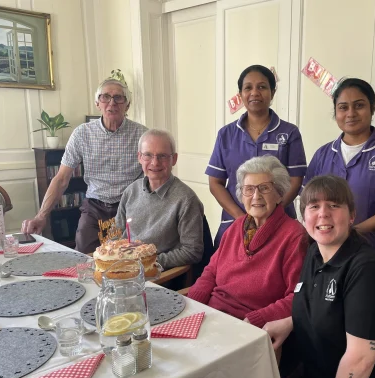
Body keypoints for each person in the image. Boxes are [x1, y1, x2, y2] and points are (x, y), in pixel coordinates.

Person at [264, 175, 375, 378]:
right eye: (314, 206)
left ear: (351, 215)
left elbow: (360, 361)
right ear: (303, 217)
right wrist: (290, 322)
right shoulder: (314, 252)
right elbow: (324, 306)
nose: (323, 213)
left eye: (334, 205)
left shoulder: (367, 270)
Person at [22, 78, 148, 254]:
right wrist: (41, 216)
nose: (112, 103)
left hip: (130, 206)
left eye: (118, 98)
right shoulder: (82, 134)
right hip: (95, 208)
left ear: (127, 105)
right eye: (105, 97)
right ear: (97, 103)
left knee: (130, 255)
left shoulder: (143, 135)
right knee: (84, 256)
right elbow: (61, 179)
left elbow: (153, 176)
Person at [189, 155, 307, 328]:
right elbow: (211, 272)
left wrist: (257, 319)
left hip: (251, 326)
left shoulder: (294, 236)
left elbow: (297, 297)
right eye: (249, 189)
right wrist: (193, 305)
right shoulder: (236, 227)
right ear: (242, 195)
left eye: (264, 188)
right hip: (211, 314)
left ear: (279, 194)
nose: (256, 196)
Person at [303, 78, 375, 272]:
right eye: (343, 107)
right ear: (336, 112)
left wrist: (352, 233)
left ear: (372, 108)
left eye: (359, 105)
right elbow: (307, 203)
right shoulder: (322, 155)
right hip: (325, 255)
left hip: (371, 254)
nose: (351, 113)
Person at [206, 65, 307, 248]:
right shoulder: (226, 134)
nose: (254, 93)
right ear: (241, 94)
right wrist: (241, 218)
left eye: (262, 87)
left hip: (279, 222)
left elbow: (295, 180)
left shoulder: (289, 132)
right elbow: (215, 183)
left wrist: (272, 215)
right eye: (248, 88)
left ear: (272, 92)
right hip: (235, 221)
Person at [115, 129, 204, 270]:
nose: (155, 162)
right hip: (124, 267)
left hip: (159, 273)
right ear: (139, 157)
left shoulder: (186, 200)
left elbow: (192, 251)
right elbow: (116, 235)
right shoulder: (130, 191)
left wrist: (147, 263)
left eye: (162, 156)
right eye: (148, 155)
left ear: (174, 159)